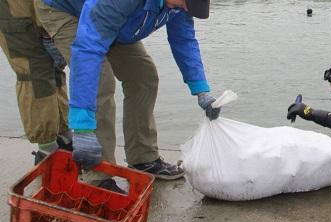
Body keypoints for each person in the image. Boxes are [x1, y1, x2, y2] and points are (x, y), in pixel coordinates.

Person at [34, 0, 221, 180]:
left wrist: (201, 89)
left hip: (117, 18)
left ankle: (143, 159)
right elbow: (88, 49)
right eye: (185, 2)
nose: (185, 7)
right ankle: (99, 174)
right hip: (65, 10)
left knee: (144, 77)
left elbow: (184, 40)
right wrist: (83, 128)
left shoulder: (180, 5)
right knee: (101, 82)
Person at [0, 0, 71, 164]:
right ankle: (46, 149)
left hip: (40, 8)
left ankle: (64, 137)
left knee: (54, 66)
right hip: (14, 11)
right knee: (33, 72)